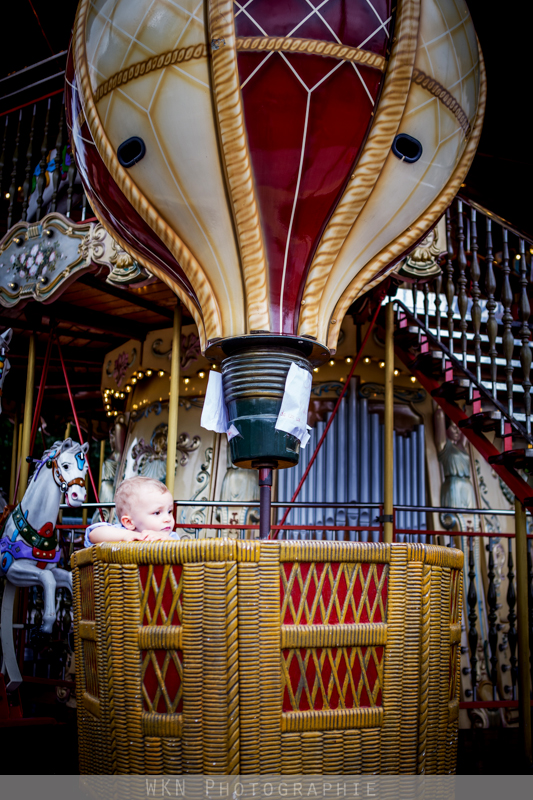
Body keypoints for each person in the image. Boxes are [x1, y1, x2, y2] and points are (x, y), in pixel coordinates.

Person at [84, 476, 177, 547]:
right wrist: (128, 535)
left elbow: (180, 548)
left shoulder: (171, 536)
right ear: (129, 522)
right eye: (157, 513)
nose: (168, 519)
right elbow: (93, 535)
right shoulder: (121, 531)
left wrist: (166, 539)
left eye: (169, 511)